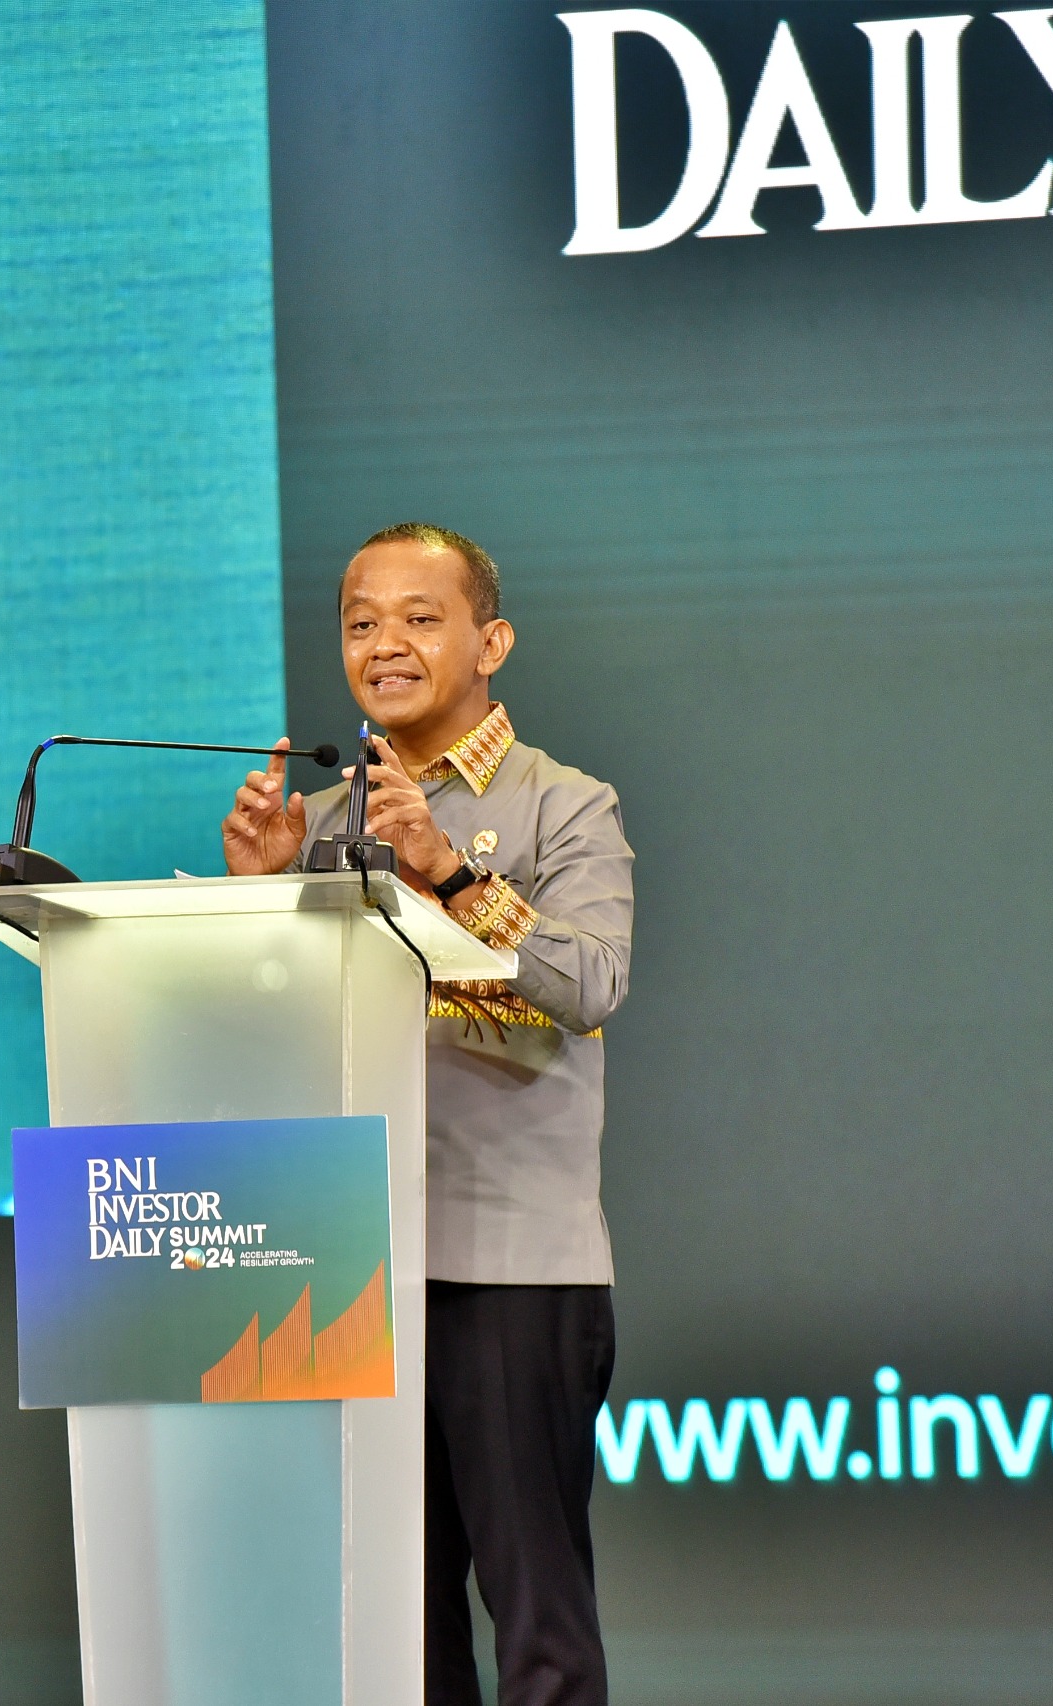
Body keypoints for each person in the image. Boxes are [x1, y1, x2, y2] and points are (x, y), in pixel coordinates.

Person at [222, 522, 634, 1706]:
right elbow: (284, 1047)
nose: (383, 644)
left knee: (539, 1626)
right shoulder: (317, 818)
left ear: (490, 642)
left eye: (418, 617)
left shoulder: (565, 803)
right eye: (360, 622)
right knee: (395, 1635)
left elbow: (590, 983)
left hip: (508, 1264)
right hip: (347, 1267)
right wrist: (258, 900)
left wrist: (449, 870)